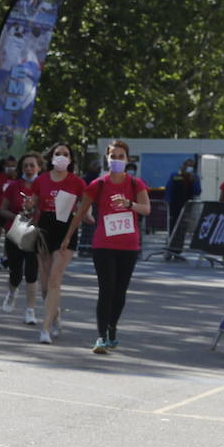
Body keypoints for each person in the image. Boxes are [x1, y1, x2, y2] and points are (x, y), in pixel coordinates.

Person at [64, 139, 150, 353]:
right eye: (113, 156)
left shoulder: (135, 184)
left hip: (129, 246)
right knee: (106, 290)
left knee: (120, 292)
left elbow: (146, 209)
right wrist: (68, 237)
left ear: (127, 160)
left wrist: (129, 204)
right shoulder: (98, 184)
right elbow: (81, 212)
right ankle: (101, 337)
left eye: (121, 156)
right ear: (107, 158)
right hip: (103, 245)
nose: (117, 160)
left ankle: (112, 327)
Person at [33, 141, 85, 344]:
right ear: (51, 157)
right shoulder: (42, 179)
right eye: (58, 153)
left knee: (55, 279)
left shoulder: (77, 182)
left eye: (65, 153)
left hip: (66, 228)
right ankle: (54, 313)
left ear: (70, 159)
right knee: (45, 284)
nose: (61, 156)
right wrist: (27, 203)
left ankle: (45, 329)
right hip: (45, 227)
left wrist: (86, 215)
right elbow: (33, 204)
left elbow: (84, 207)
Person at [0, 152, 41, 324]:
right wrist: (17, 216)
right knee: (16, 272)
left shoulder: (43, 186)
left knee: (32, 274)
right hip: (16, 232)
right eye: (26, 166)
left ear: (39, 167)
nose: (29, 169)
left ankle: (30, 311)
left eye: (32, 165)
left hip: (36, 233)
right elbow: (2, 209)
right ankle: (12, 292)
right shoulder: (14, 186)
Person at [163, 158, 200, 257]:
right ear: (183, 165)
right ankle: (169, 248)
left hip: (187, 206)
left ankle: (178, 251)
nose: (189, 168)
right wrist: (168, 201)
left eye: (191, 166)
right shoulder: (175, 175)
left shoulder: (195, 177)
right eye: (188, 165)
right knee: (172, 226)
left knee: (182, 228)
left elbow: (198, 191)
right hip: (174, 205)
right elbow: (169, 189)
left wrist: (194, 181)